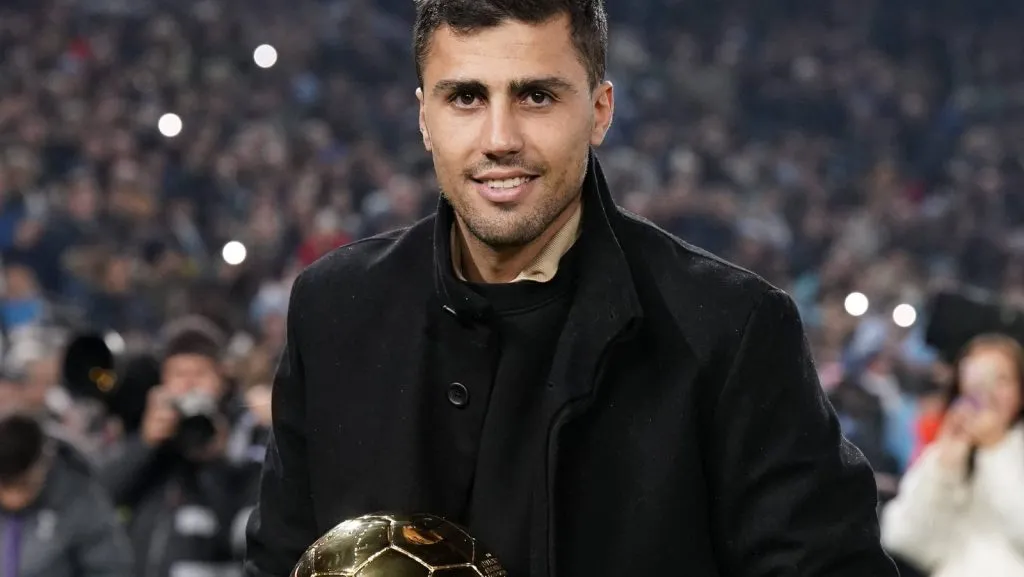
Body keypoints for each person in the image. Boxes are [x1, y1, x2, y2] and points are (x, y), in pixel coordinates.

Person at [244, 1, 898, 575]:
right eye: (466, 97)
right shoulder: (333, 309)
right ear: (424, 117)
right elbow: (282, 562)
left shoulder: (731, 329)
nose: (499, 139)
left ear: (599, 111)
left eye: (536, 96)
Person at [99, 317, 256, 577]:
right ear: (162, 382)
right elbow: (101, 497)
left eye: (200, 374)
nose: (189, 384)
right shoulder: (148, 440)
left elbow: (246, 533)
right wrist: (145, 443)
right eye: (179, 374)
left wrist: (218, 458)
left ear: (222, 381)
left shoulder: (245, 435)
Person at [881, 333, 1024, 577]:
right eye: (978, 378)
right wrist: (944, 469)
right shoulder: (945, 450)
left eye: (1001, 379)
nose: (987, 393)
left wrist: (995, 448)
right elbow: (904, 538)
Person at [0, 410, 134, 577]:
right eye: (4, 485)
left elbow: (111, 568)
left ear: (42, 465)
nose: (11, 497)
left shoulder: (80, 499)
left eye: (21, 485)